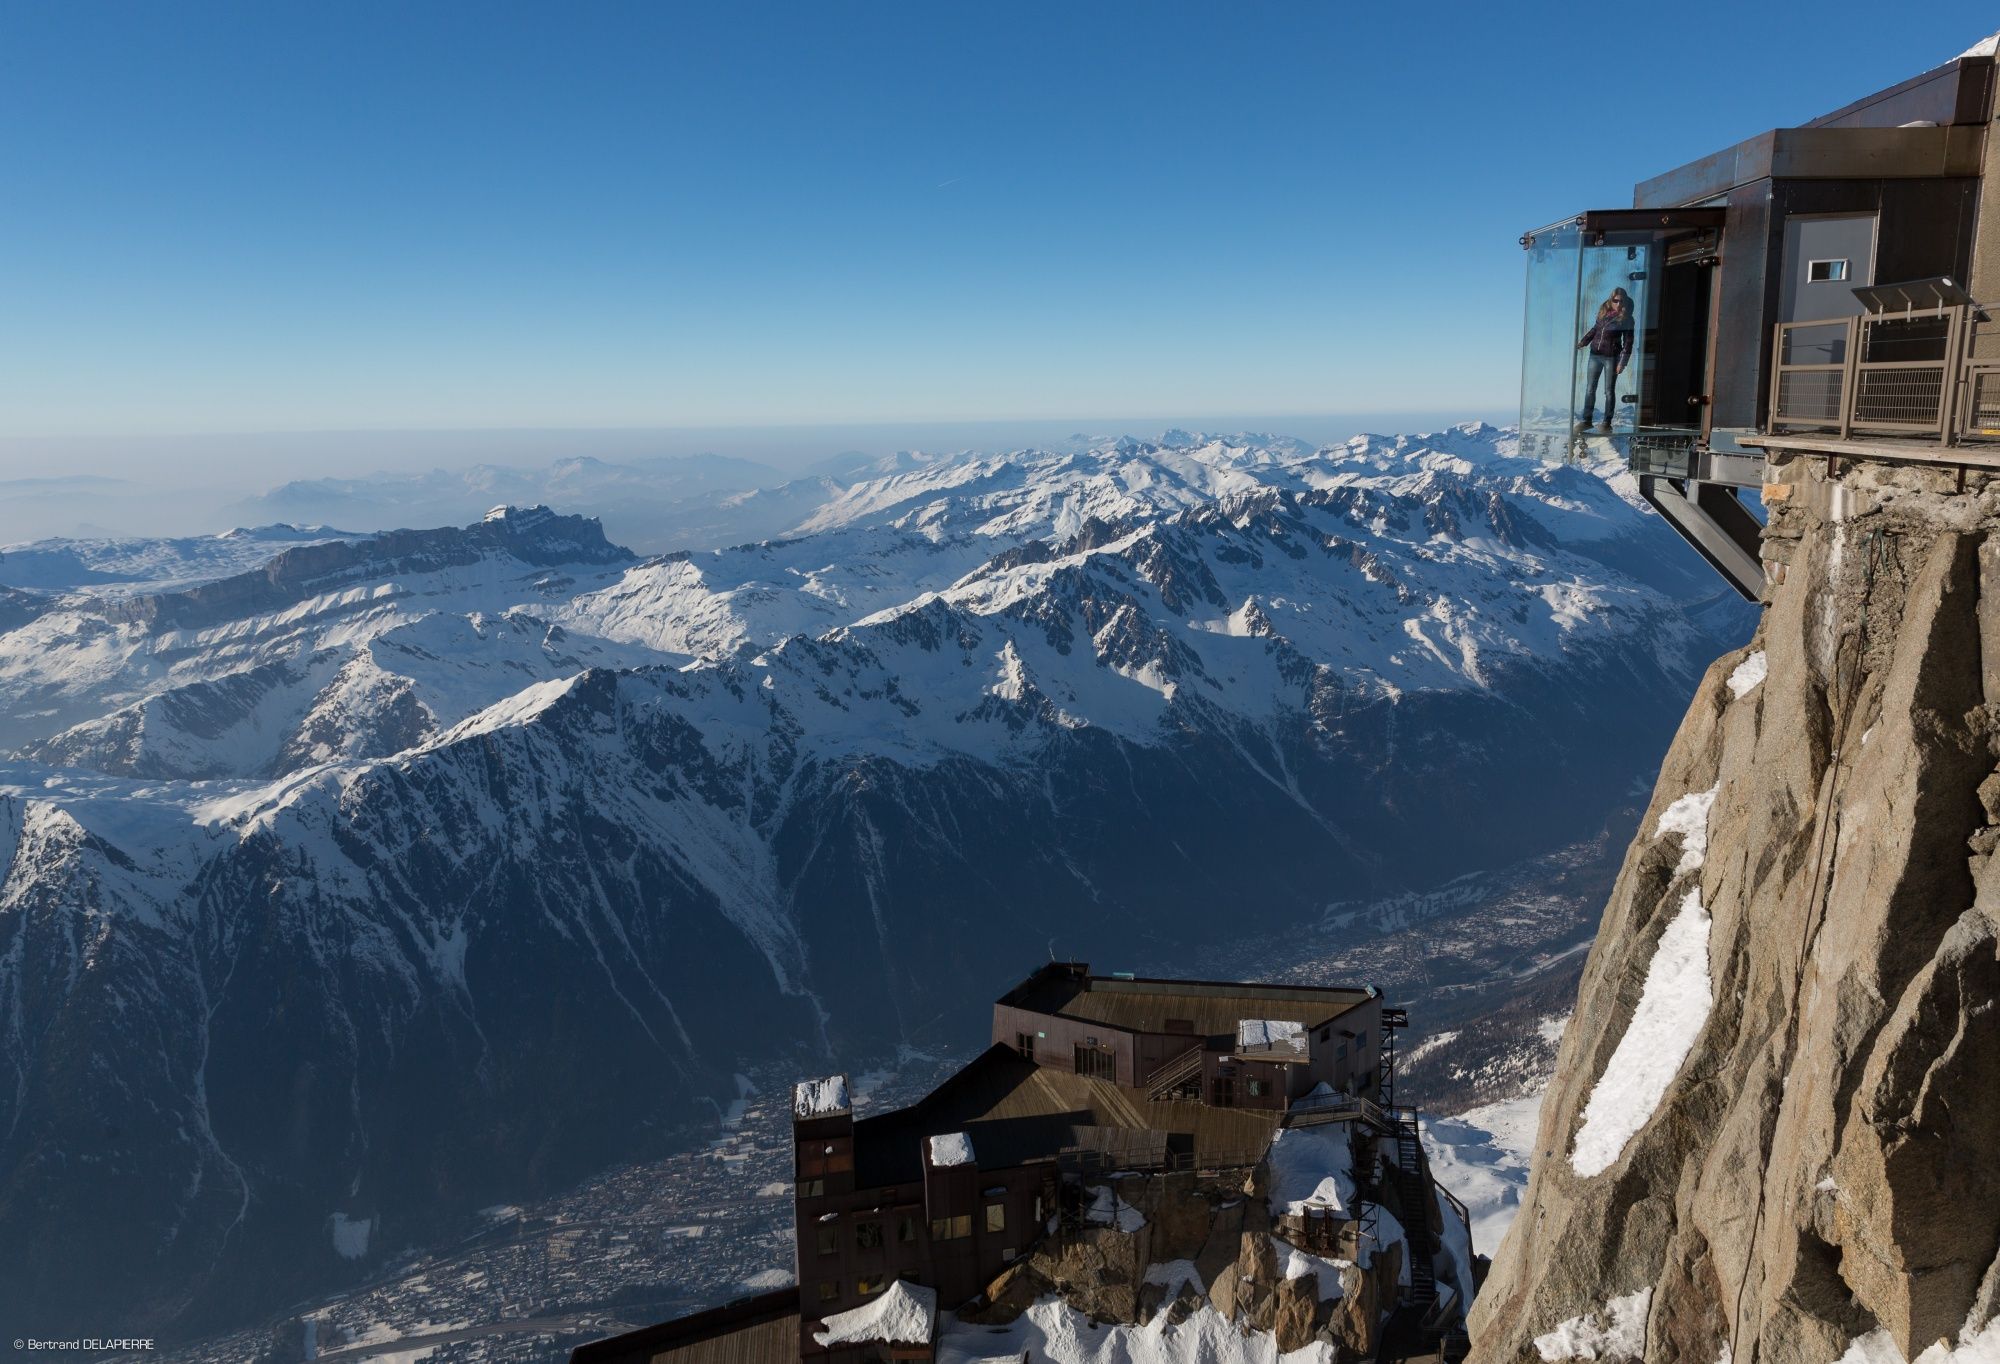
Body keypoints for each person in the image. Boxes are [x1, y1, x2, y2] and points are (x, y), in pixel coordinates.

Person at [1575, 288, 1634, 433]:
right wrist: (1583, 342)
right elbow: (1595, 330)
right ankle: (1586, 421)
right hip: (1594, 354)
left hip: (1611, 357)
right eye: (1615, 300)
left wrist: (1622, 362)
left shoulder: (1627, 319)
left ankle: (1606, 423)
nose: (1618, 304)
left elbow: (1628, 342)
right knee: (1590, 389)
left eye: (1621, 301)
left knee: (1608, 391)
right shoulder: (1603, 314)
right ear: (1611, 300)